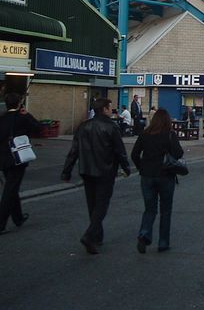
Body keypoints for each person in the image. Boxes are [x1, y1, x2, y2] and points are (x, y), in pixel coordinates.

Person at [61, 98, 131, 254]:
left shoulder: (83, 126)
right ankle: (90, 235)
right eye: (110, 108)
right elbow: (119, 151)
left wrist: (66, 171)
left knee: (92, 204)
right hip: (105, 170)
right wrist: (126, 167)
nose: (112, 111)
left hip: (86, 170)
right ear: (105, 109)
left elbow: (74, 151)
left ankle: (98, 236)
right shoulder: (111, 127)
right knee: (101, 205)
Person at [0, 92, 42, 235]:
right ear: (20, 104)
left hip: (4, 159)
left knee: (12, 187)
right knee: (10, 191)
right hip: (18, 158)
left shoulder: (0, 120)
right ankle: (0, 225)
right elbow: (38, 128)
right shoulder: (22, 118)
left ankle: (18, 217)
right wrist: (27, 114)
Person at [131, 108, 183, 253]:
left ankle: (144, 234)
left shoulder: (145, 134)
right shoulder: (170, 135)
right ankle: (163, 242)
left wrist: (141, 167)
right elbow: (179, 153)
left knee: (149, 209)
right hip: (165, 175)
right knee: (165, 210)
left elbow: (135, 154)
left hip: (147, 175)